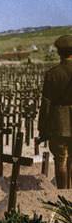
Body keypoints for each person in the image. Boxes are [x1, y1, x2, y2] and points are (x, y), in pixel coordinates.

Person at [38, 33, 72, 189]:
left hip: (59, 124)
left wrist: (42, 128)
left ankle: (63, 195)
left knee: (61, 160)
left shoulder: (52, 74)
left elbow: (46, 104)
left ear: (59, 52)